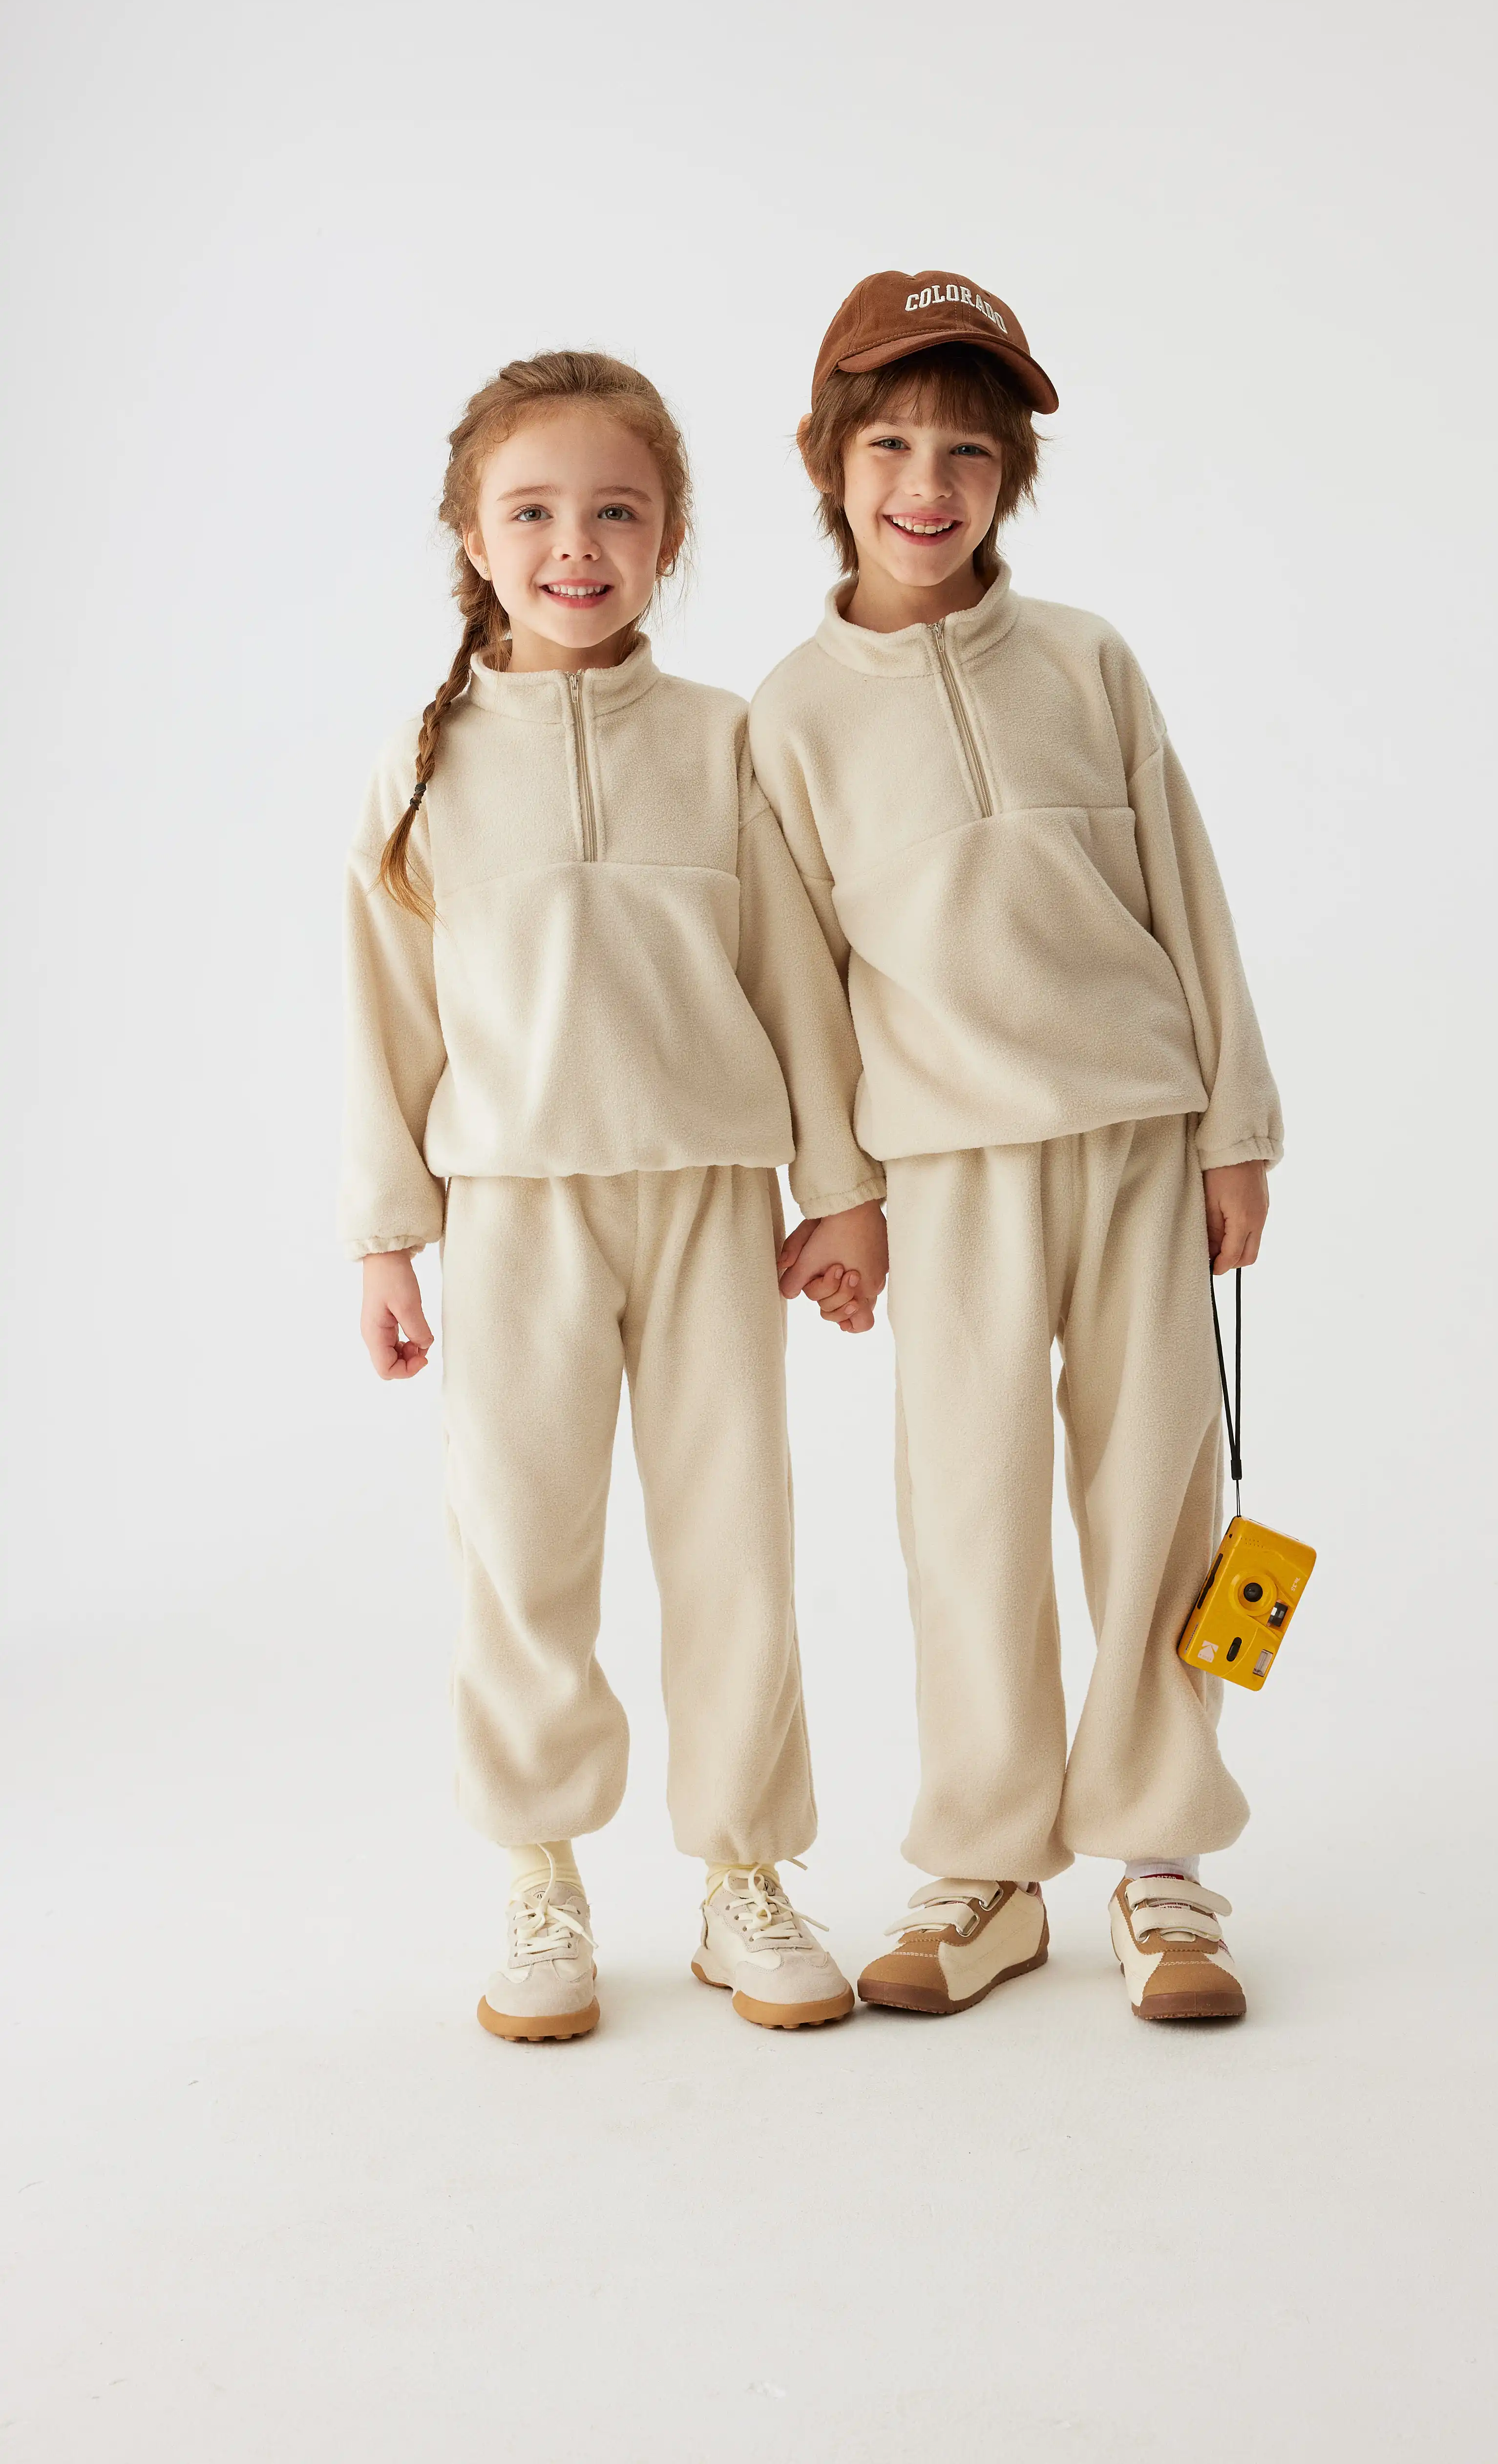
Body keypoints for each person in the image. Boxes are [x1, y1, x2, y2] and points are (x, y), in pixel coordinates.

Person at [750, 274, 1283, 2022]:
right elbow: (801, 983)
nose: (929, 485)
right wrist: (841, 1195)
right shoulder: (790, 718)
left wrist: (1236, 1127)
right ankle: (986, 1865)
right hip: (949, 1172)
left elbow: (1190, 894)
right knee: (968, 1514)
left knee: (1158, 1503)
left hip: (1138, 1137)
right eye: (892, 446)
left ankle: (1162, 1857)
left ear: (1012, 477)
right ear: (829, 461)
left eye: (969, 453)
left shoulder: (1086, 660)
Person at [341, 350, 886, 2041]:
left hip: (711, 1201)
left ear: (671, 537)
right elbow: (385, 1017)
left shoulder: (728, 743)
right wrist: (388, 1238)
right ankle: (541, 1874)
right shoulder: (424, 763)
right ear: (473, 536)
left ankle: (745, 1873)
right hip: (513, 1215)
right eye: (532, 512)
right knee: (523, 1554)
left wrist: (840, 1187)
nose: (575, 545)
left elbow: (797, 979)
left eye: (617, 513)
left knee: (737, 1541)